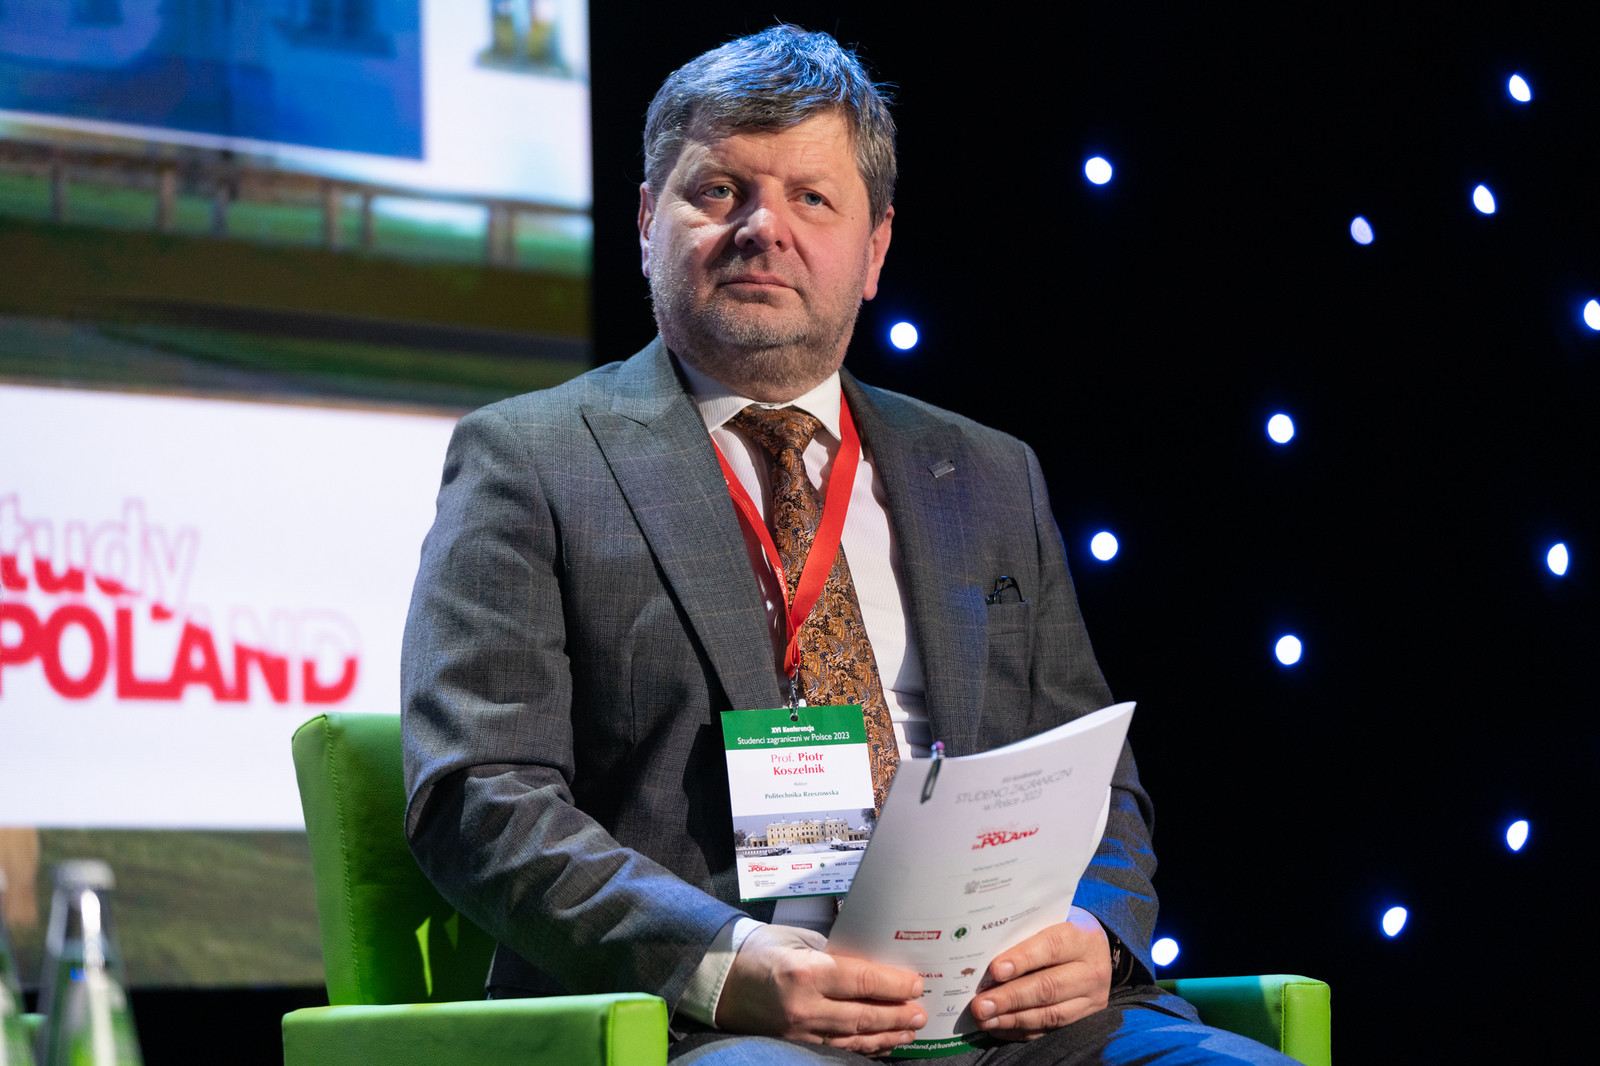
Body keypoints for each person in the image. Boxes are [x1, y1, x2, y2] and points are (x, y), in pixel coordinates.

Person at [401, 25, 1297, 1065]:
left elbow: (1095, 775)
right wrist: (726, 961)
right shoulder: (530, 458)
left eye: (812, 198)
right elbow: (478, 795)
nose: (762, 228)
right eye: (719, 191)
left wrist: (1095, 930)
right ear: (648, 220)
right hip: (713, 1022)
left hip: (1003, 1018)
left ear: (874, 250)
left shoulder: (989, 471)